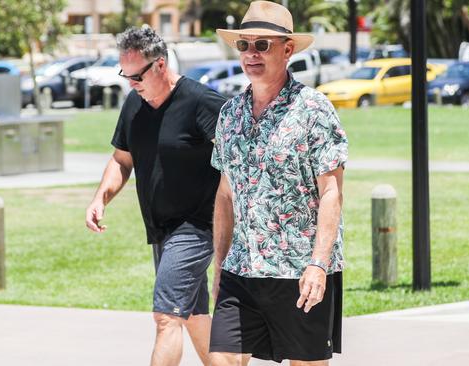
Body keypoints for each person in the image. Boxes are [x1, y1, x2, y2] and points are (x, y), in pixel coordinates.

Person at [208, 2, 348, 365]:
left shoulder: (313, 109)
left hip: (298, 271)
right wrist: (219, 265)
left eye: (262, 45)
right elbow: (225, 196)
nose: (251, 54)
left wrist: (319, 263)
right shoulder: (229, 114)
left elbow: (331, 192)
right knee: (222, 358)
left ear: (287, 50)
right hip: (242, 268)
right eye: (244, 45)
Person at [84, 26, 225, 366]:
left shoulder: (201, 102)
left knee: (166, 317)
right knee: (190, 314)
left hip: (197, 225)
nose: (131, 83)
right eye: (126, 75)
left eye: (137, 76)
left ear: (160, 65)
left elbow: (242, 156)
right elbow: (122, 158)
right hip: (162, 228)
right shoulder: (135, 103)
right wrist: (100, 198)